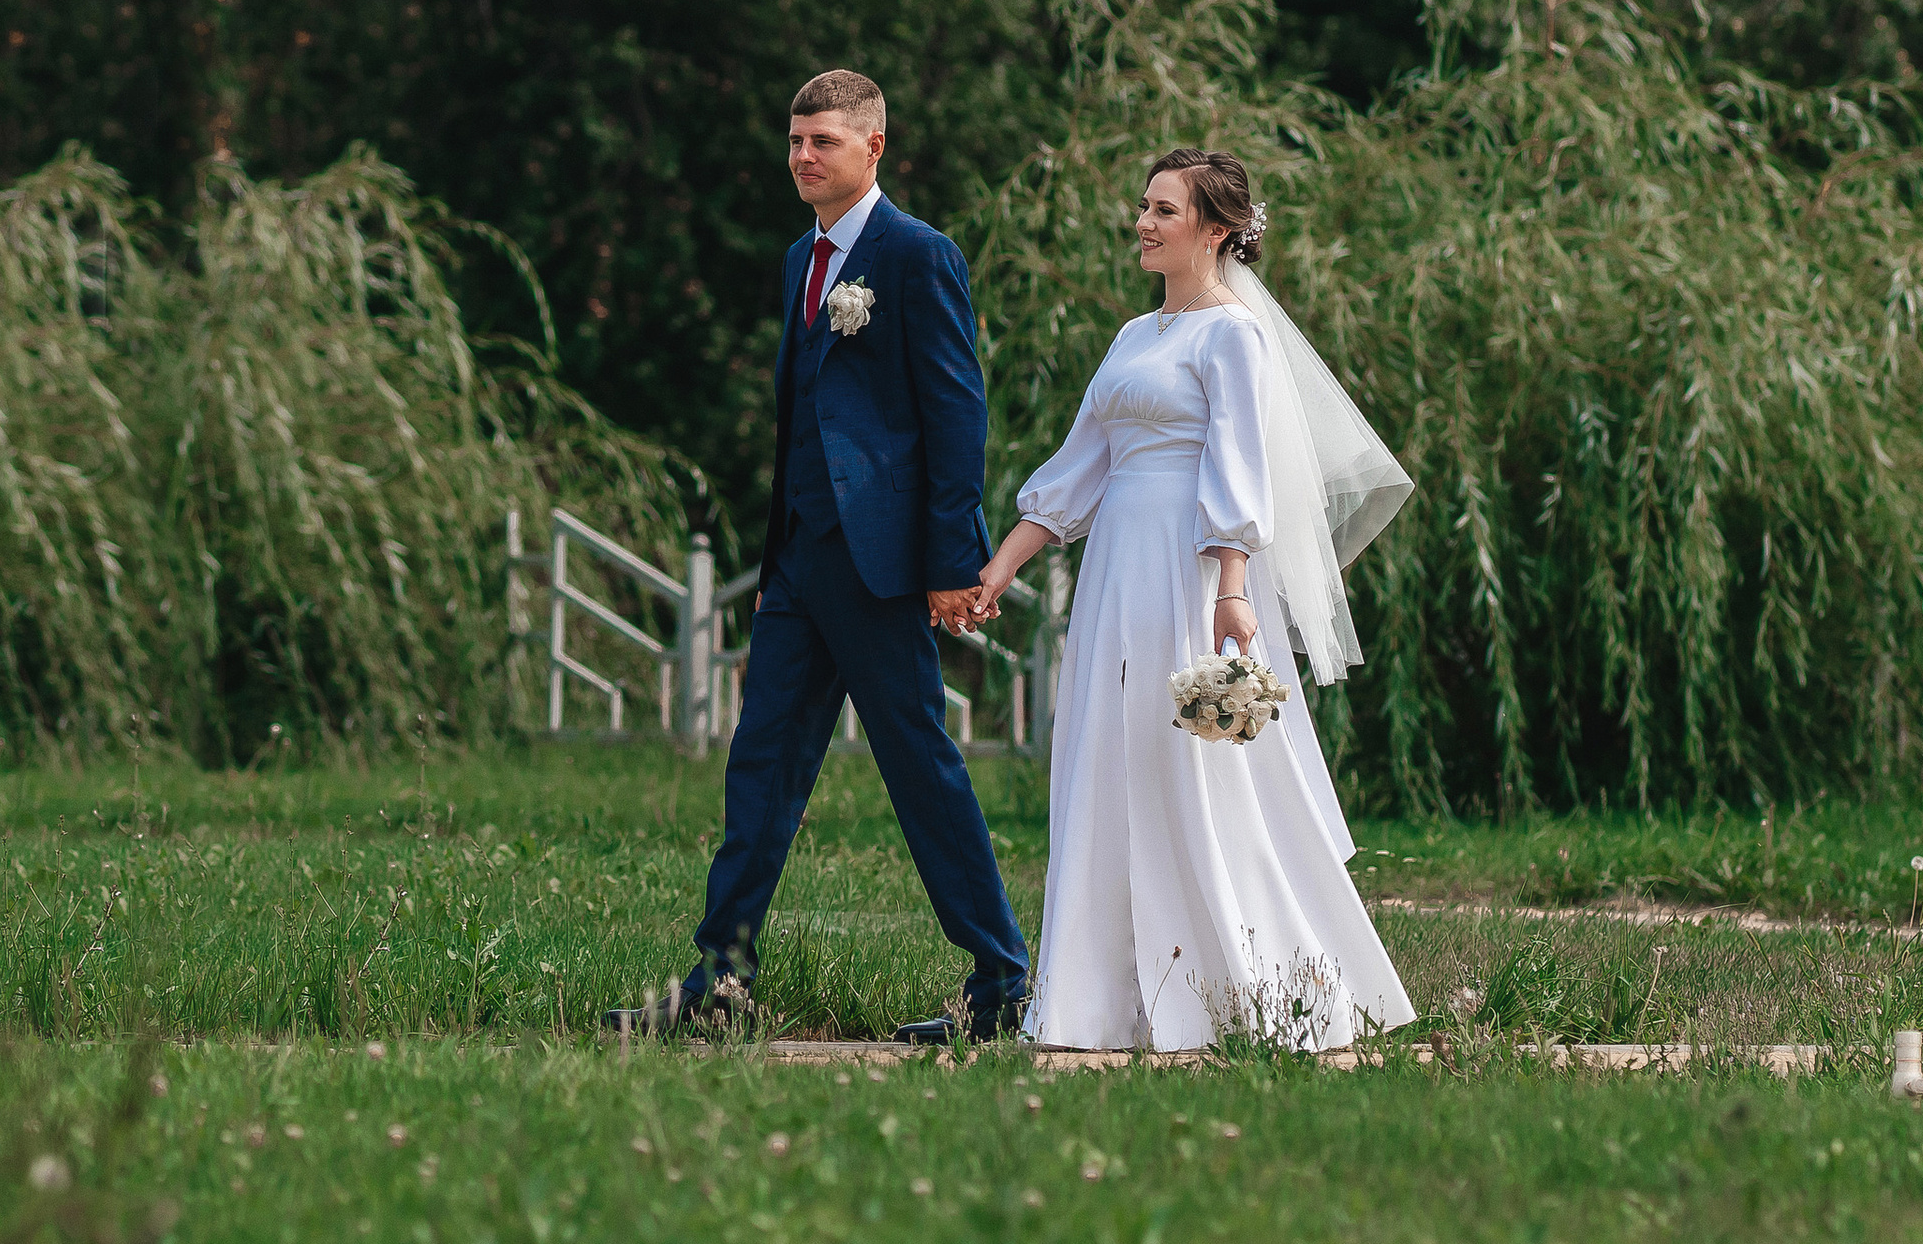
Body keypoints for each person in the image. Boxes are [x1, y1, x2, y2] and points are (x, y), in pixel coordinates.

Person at [605, 71, 1029, 1041]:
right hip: (799, 569)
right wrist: (774, 565)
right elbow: (798, 422)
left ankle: (1000, 984)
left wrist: (948, 561)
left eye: (823, 141)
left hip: (883, 571)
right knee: (759, 771)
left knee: (920, 769)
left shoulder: (916, 255)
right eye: (795, 141)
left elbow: (955, 416)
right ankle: (721, 984)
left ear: (873, 147)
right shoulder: (800, 257)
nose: (803, 157)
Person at [968, 148, 1419, 1051]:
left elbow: (1237, 467)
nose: (1144, 221)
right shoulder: (1133, 339)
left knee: (1194, 768)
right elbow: (1079, 467)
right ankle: (1099, 1001)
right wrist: (1003, 564)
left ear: (1214, 230)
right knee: (1107, 752)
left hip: (1188, 566)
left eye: (1164, 210)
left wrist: (1234, 589)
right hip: (1113, 577)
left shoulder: (1233, 337)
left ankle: (1247, 989)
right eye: (1144, 205)